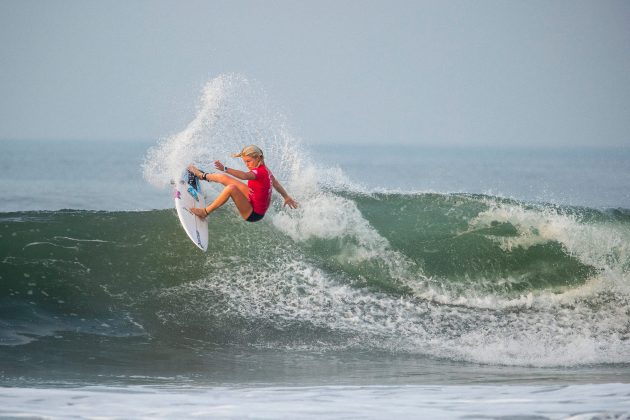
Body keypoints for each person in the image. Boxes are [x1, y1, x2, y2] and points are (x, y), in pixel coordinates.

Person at [187, 145, 298, 222]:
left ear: (258, 158)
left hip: (253, 213)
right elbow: (276, 184)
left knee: (231, 188)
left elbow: (244, 176)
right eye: (245, 162)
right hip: (252, 198)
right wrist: (286, 197)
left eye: (249, 161)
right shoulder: (266, 170)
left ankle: (205, 212)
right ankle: (201, 176)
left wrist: (225, 168)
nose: (247, 164)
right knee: (224, 178)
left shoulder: (258, 172)